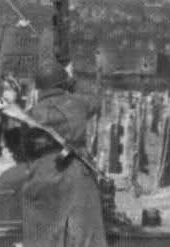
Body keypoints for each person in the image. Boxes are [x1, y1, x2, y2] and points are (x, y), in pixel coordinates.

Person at [19, 59, 106, 247]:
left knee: (42, 234)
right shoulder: (78, 104)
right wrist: (76, 85)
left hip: (42, 173)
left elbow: (24, 150)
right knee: (83, 233)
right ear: (63, 83)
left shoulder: (30, 114)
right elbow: (97, 101)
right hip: (76, 171)